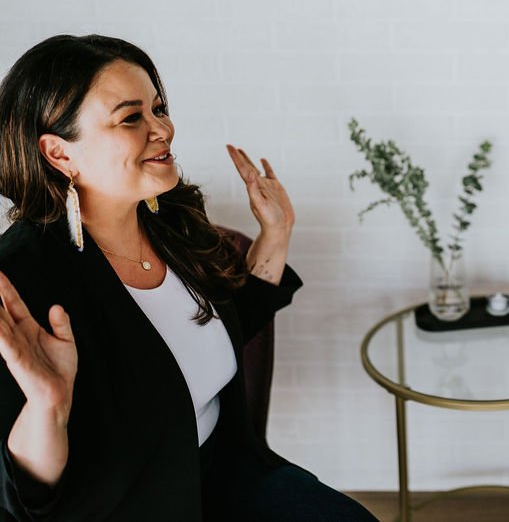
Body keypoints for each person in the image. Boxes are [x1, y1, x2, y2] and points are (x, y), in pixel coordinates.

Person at [0, 35, 377, 521]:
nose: (163, 129)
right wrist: (48, 406)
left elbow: (221, 327)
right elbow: (22, 499)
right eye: (131, 117)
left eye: (159, 108)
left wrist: (277, 234)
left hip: (227, 470)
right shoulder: (19, 283)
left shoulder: (168, 218)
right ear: (59, 154)